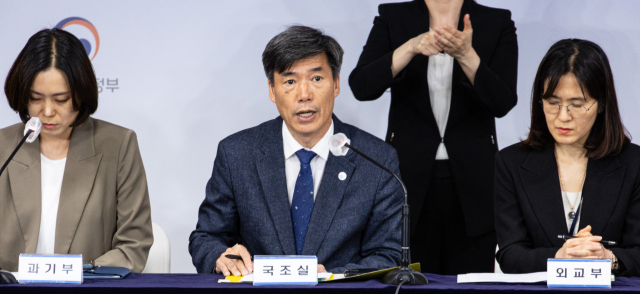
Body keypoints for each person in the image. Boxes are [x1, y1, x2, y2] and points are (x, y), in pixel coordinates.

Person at [189, 26, 402, 276]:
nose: (304, 95)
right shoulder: (237, 154)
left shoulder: (377, 159)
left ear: (336, 84)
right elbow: (207, 237)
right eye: (290, 81)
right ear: (272, 90)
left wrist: (333, 276)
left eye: (316, 79)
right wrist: (220, 257)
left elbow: (388, 254)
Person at [349, 0, 518, 275]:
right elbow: (362, 86)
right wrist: (410, 47)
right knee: (411, 285)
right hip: (408, 179)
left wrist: (466, 55)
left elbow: (503, 101)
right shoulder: (393, 16)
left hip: (474, 182)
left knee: (470, 288)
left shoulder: (496, 21)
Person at [0, 29, 153, 272]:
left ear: (81, 94)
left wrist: (74, 275)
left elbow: (133, 246)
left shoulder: (118, 145)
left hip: (87, 292)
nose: (47, 111)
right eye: (36, 98)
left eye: (61, 99)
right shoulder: (4, 147)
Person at [495, 39, 639, 276]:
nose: (563, 116)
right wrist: (558, 258)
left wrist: (608, 258)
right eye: (553, 103)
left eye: (577, 104)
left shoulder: (634, 164)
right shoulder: (511, 163)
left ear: (601, 104)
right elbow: (510, 254)